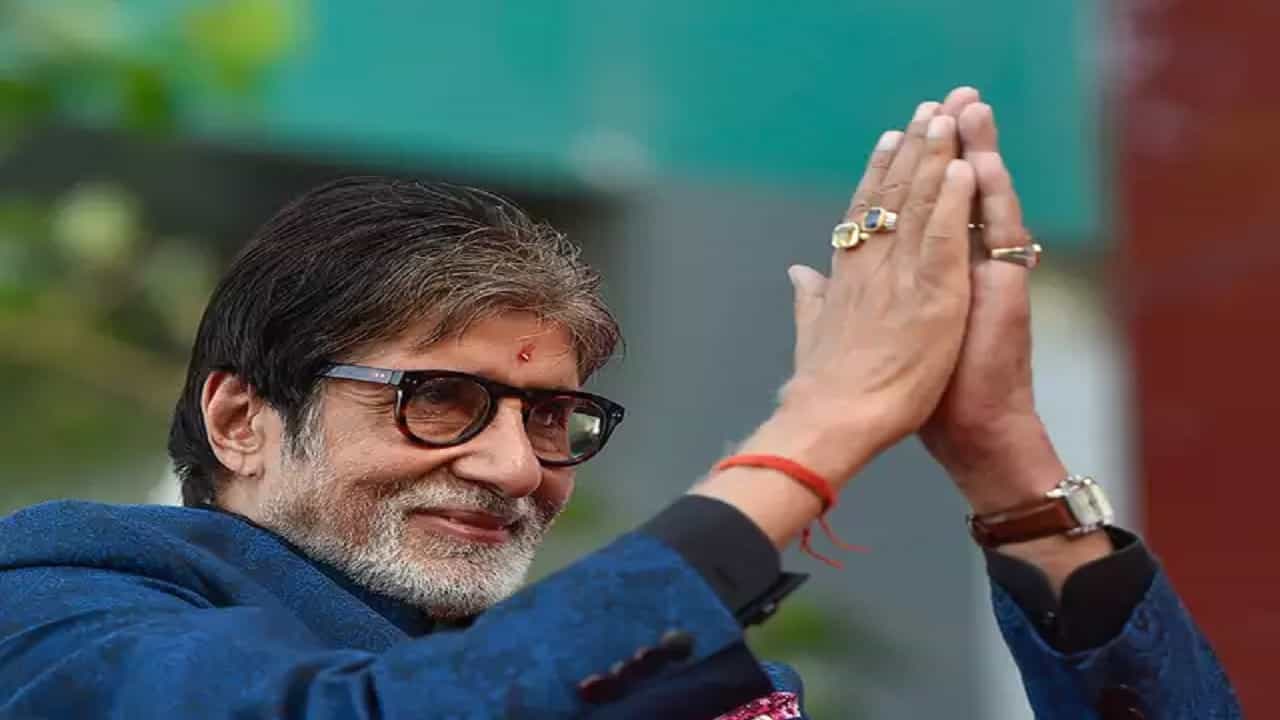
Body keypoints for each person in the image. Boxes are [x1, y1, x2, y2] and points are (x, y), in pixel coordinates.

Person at [0, 87, 1240, 720]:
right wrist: (819, 426)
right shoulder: (69, 590)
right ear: (238, 421)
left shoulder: (637, 678)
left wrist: (1003, 463)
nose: (512, 468)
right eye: (439, 399)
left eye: (550, 417)